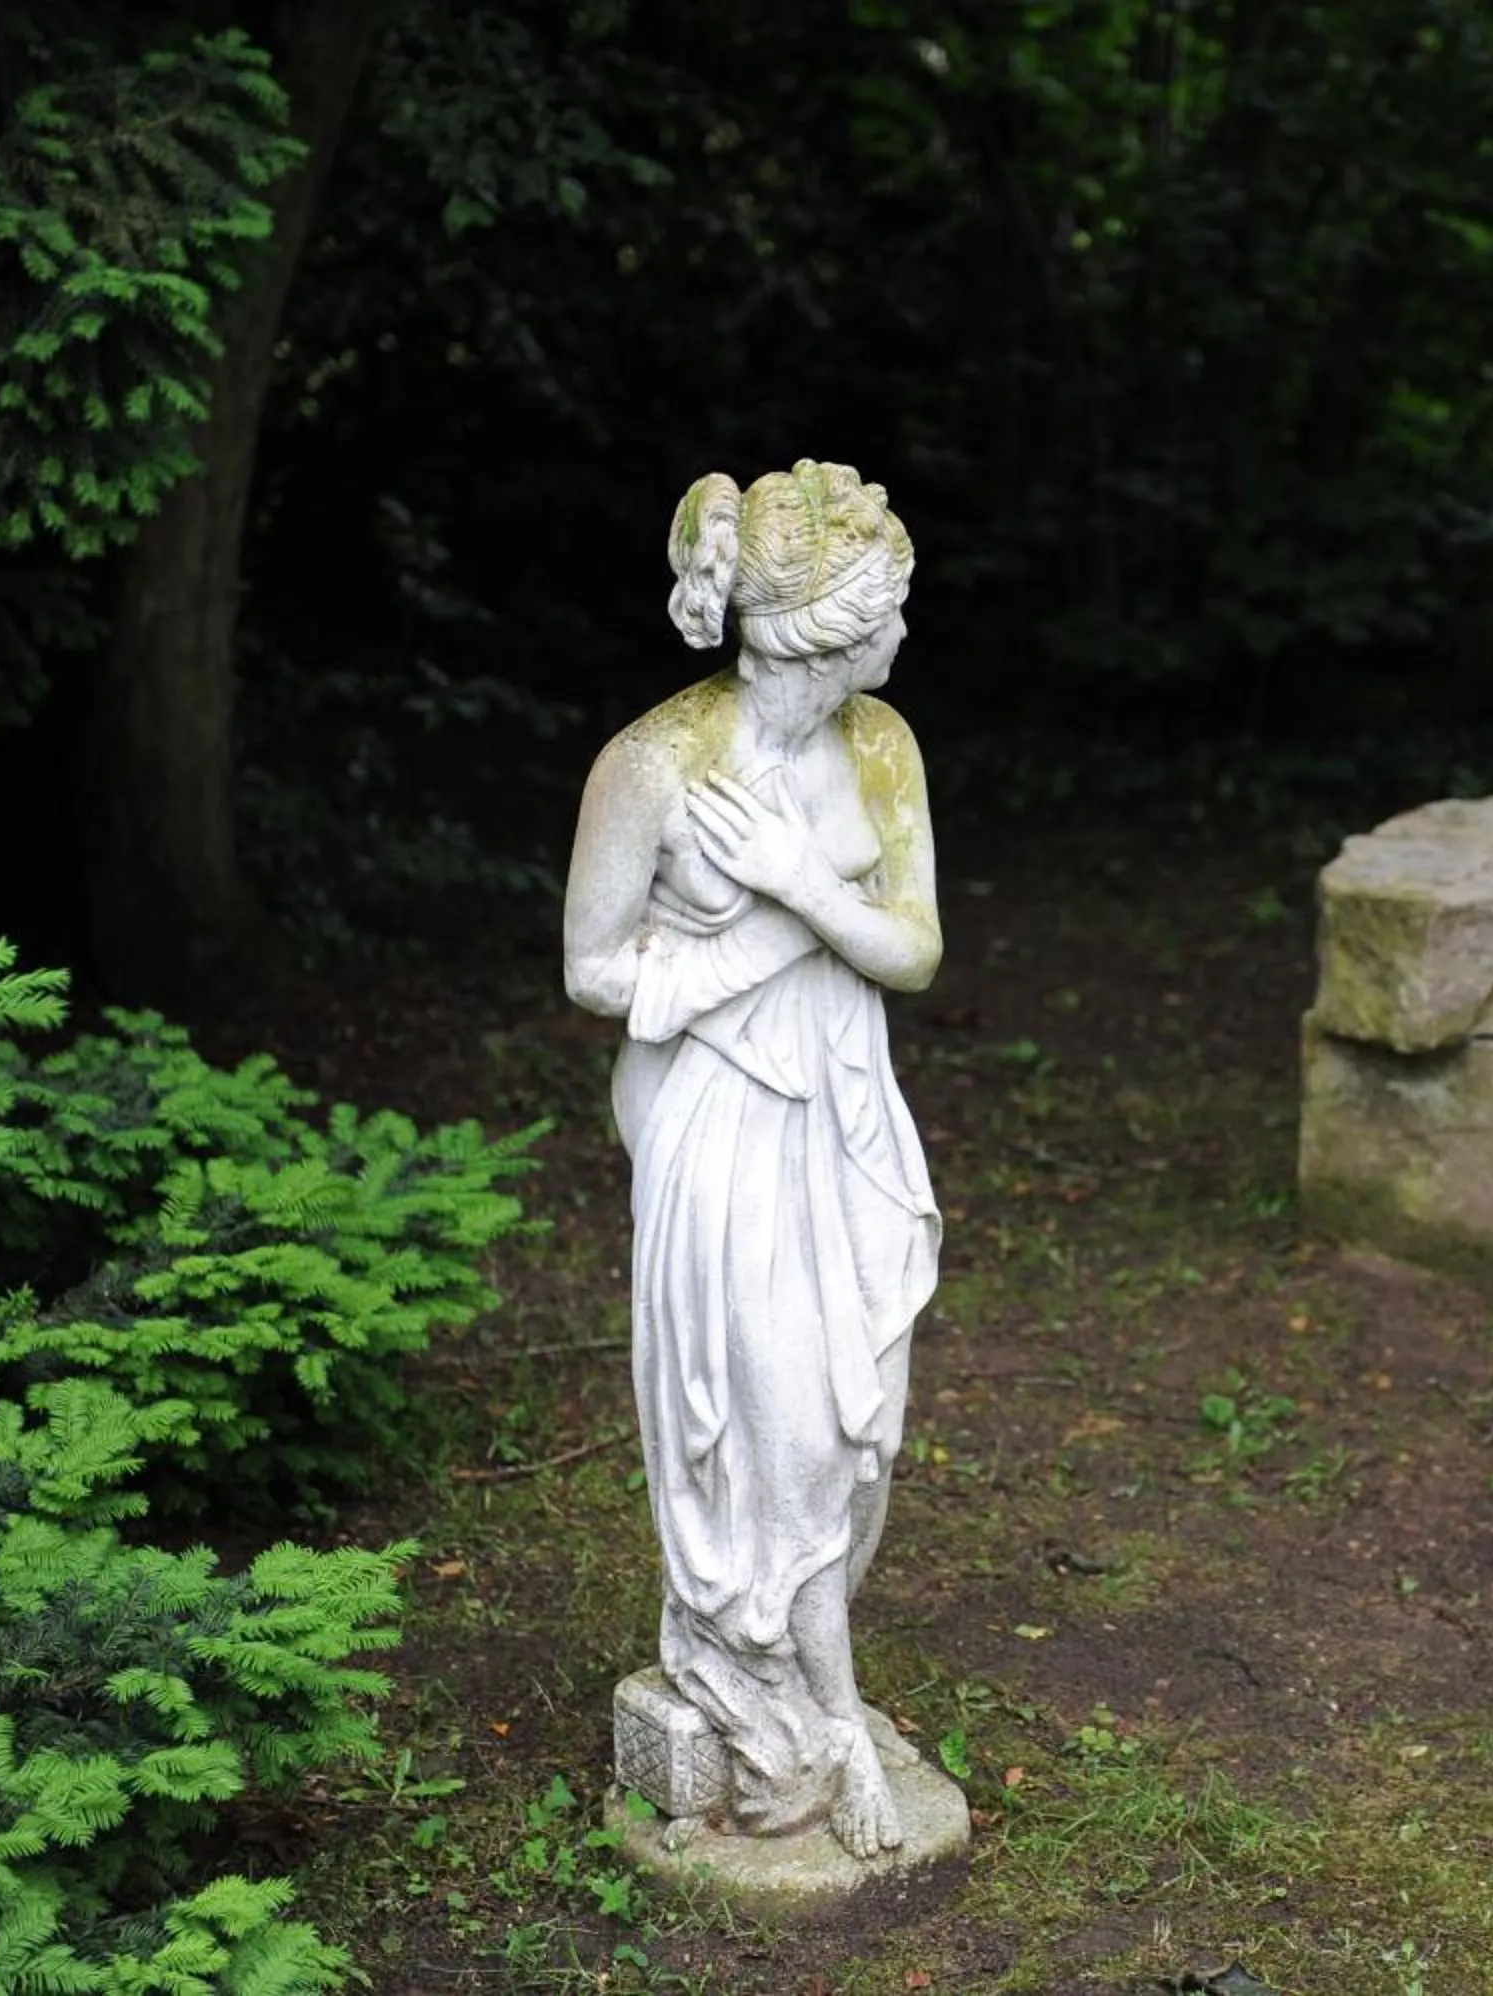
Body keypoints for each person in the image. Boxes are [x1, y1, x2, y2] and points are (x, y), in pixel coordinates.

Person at [561, 461, 942, 1856]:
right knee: (774, 1419)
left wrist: (791, 880)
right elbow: (594, 967)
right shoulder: (652, 766)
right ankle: (812, 1721)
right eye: (888, 616)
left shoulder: (884, 745)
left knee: (853, 1428)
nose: (904, 641)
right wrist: (750, 943)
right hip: (719, 1125)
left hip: (844, 1104)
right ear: (821, 633)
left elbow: (913, 949)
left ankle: (805, 1683)